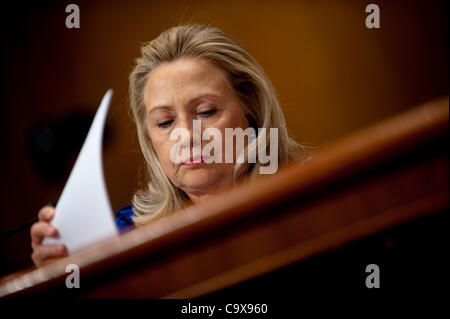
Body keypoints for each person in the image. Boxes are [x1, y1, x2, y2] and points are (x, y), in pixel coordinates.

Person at [30, 24, 304, 267]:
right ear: (149, 139)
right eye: (165, 122)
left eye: (206, 111)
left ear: (252, 111)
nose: (186, 135)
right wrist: (62, 272)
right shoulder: (125, 236)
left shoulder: (314, 196)